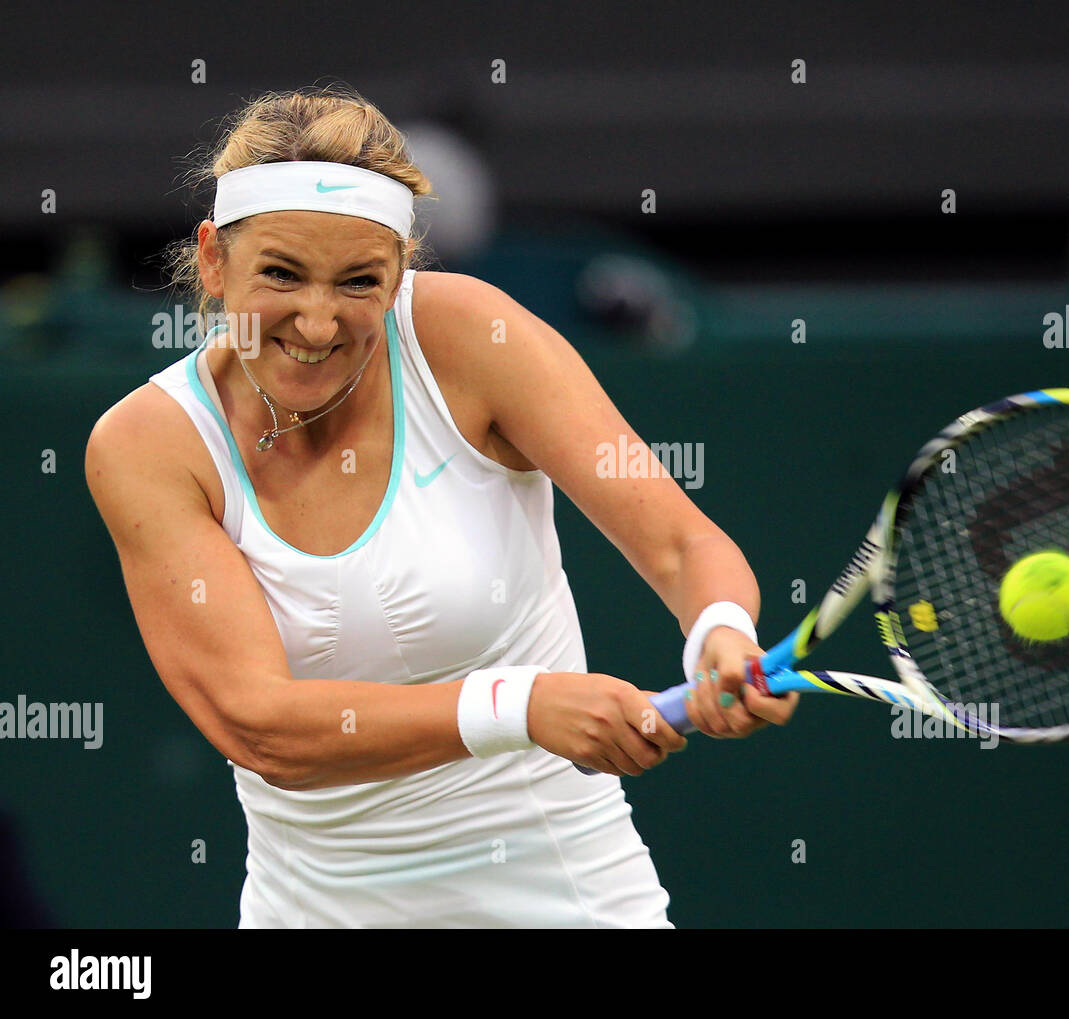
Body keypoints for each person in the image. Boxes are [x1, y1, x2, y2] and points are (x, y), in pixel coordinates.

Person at [85, 87, 798, 928]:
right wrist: (521, 705)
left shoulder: (469, 338)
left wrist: (720, 627)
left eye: (359, 281)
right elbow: (263, 726)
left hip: (572, 899)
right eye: (280, 273)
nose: (316, 323)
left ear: (400, 276)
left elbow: (681, 544)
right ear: (212, 259)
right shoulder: (149, 444)